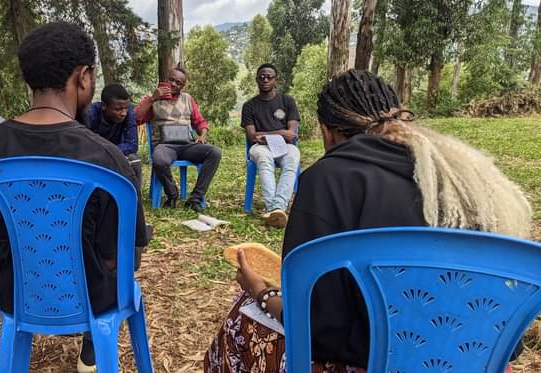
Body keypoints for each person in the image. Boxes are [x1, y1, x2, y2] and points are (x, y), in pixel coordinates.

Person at [204, 70, 532, 372]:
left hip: (372, 364)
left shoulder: (327, 179)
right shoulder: (460, 177)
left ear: (327, 132)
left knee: (242, 317)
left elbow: (316, 331)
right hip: (475, 362)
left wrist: (260, 290)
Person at [0, 21, 149, 373]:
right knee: (126, 251)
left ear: (27, 78)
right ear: (84, 77)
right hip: (94, 295)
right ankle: (93, 348)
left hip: (11, 292)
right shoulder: (108, 159)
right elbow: (116, 258)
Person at [135, 67, 222, 213]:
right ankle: (172, 194)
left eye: (179, 83)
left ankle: (195, 198)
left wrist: (202, 135)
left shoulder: (188, 99)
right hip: (165, 146)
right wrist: (152, 98)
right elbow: (136, 118)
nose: (174, 84)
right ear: (166, 78)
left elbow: (200, 122)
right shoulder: (153, 98)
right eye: (171, 80)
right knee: (159, 160)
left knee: (215, 153)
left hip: (187, 145)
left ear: (183, 86)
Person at [241, 63, 300, 227]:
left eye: (269, 77)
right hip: (259, 147)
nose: (265, 80)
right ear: (256, 80)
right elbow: (252, 136)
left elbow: (291, 134)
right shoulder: (249, 106)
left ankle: (277, 208)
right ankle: (274, 208)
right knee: (264, 160)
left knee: (293, 157)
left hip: (284, 146)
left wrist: (268, 135)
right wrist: (281, 132)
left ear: (276, 80)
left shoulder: (287, 101)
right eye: (261, 77)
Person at [85, 84, 142, 189]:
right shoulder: (91, 114)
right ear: (104, 106)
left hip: (117, 153)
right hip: (93, 155)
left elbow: (132, 145)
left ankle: (135, 201)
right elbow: (84, 144)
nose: (123, 113)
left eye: (125, 108)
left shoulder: (129, 113)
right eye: (118, 109)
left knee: (135, 161)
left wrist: (109, 151)